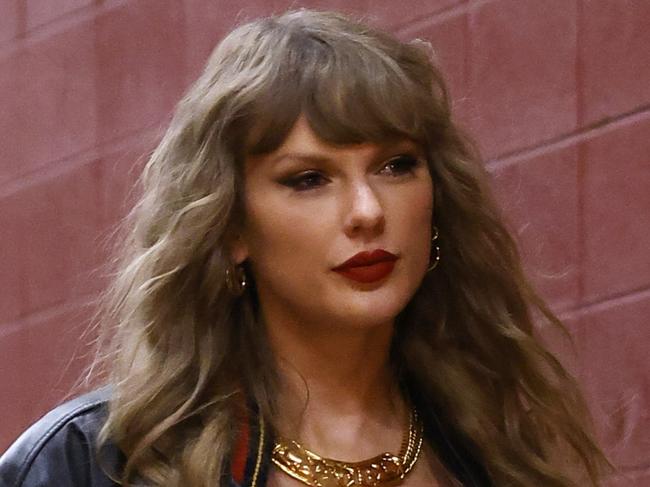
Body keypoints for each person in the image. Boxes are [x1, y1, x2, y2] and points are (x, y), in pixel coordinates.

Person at [0, 9, 610, 487]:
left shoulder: (499, 449)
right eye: (308, 179)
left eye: (396, 166)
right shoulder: (97, 463)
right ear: (231, 228)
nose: (368, 212)